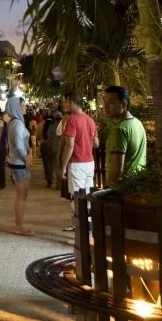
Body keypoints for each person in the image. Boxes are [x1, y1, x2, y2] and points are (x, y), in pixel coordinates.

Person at [59, 91, 98, 231]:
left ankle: (82, 230)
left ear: (72, 103)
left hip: (77, 163)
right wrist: (86, 140)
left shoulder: (73, 119)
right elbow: (96, 144)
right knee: (87, 196)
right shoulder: (90, 120)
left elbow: (69, 145)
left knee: (76, 197)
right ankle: (86, 226)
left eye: (66, 102)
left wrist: (63, 166)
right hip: (89, 163)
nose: (65, 104)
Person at [103, 86, 146, 185]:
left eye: (111, 102)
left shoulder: (119, 129)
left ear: (123, 104)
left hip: (121, 188)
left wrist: (107, 190)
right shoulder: (137, 123)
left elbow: (117, 169)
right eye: (105, 102)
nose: (105, 106)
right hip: (137, 184)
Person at [4, 95, 34, 236]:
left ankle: (19, 224)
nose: (24, 107)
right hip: (19, 163)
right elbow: (18, 144)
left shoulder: (16, 122)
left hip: (18, 162)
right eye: (22, 105)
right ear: (16, 107)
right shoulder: (16, 123)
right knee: (21, 195)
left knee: (23, 194)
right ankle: (19, 226)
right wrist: (26, 158)